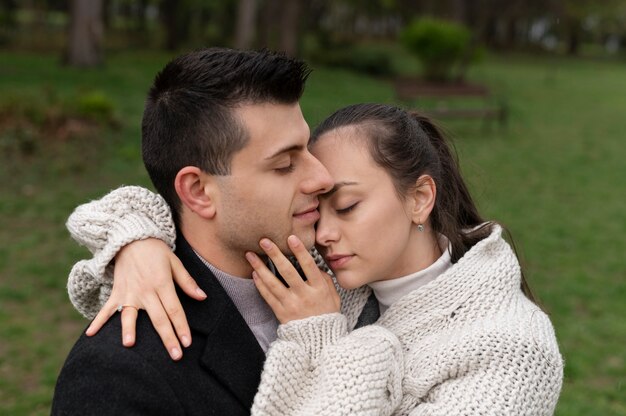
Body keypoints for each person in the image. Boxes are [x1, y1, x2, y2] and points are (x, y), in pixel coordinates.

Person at [59, 102, 563, 414]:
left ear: (420, 198)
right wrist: (138, 242)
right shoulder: (330, 274)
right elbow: (186, 204)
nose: (322, 233)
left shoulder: (511, 350)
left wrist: (322, 336)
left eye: (346, 206)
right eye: (316, 209)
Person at [52, 48, 395, 416]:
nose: (321, 178)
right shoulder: (117, 376)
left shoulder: (346, 270)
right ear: (199, 192)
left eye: (307, 150)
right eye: (284, 165)